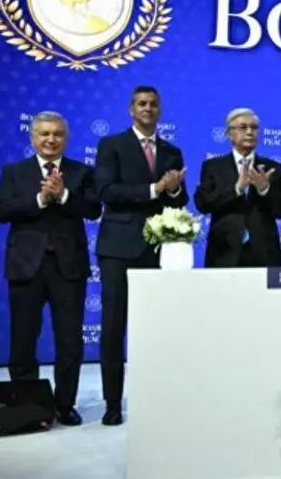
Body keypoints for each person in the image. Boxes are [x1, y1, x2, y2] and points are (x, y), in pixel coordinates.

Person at [0, 112, 101, 426]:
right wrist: (40, 198)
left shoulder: (81, 172)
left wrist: (63, 195)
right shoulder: (15, 172)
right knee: (23, 339)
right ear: (33, 137)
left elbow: (93, 209)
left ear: (65, 138)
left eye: (57, 134)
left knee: (69, 341)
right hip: (26, 267)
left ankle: (65, 405)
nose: (51, 140)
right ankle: (27, 407)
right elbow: (1, 210)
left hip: (69, 268)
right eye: (44, 134)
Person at [95, 86, 188, 424]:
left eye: (153, 104)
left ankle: (155, 399)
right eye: (142, 104)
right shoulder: (112, 145)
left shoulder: (172, 151)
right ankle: (112, 403)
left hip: (157, 249)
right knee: (113, 327)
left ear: (160, 110)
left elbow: (180, 200)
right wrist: (155, 189)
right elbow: (106, 191)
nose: (148, 108)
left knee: (154, 328)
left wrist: (173, 189)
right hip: (118, 249)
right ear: (131, 109)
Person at [194, 108, 281, 267]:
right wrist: (236, 189)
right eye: (243, 127)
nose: (250, 132)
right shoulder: (213, 167)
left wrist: (264, 190)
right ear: (230, 134)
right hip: (224, 250)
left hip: (264, 252)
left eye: (254, 128)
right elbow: (203, 204)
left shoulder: (273, 168)